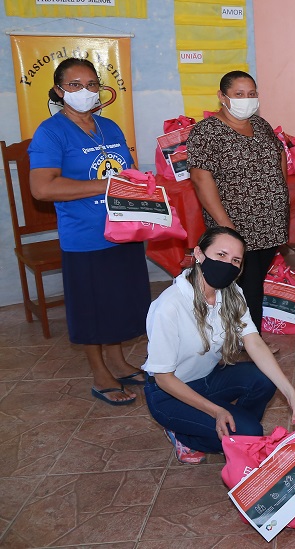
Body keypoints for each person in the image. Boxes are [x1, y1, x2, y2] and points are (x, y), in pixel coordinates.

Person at [28, 57, 151, 406]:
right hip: (84, 237)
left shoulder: (109, 127)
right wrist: (103, 187)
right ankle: (99, 373)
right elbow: (42, 188)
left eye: (92, 84)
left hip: (122, 230)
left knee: (118, 303)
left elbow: (124, 173)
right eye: (74, 85)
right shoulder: (50, 132)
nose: (85, 92)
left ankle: (117, 361)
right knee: (92, 309)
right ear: (58, 90)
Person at [143, 227, 295, 464]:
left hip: (206, 379)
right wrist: (216, 411)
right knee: (250, 433)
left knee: (262, 380)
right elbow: (163, 378)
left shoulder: (231, 293)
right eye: (221, 255)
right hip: (169, 394)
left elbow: (254, 343)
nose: (227, 264)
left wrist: (291, 394)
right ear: (199, 254)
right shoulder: (169, 306)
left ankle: (235, 434)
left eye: (235, 260)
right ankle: (187, 436)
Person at [187, 70, 289, 338]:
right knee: (248, 285)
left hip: (269, 224)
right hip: (235, 226)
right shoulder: (206, 131)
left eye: (252, 93)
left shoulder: (261, 124)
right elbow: (200, 178)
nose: (247, 99)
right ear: (222, 97)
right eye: (239, 94)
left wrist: (279, 194)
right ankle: (247, 343)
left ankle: (244, 338)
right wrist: (226, 226)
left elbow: (279, 157)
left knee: (254, 283)